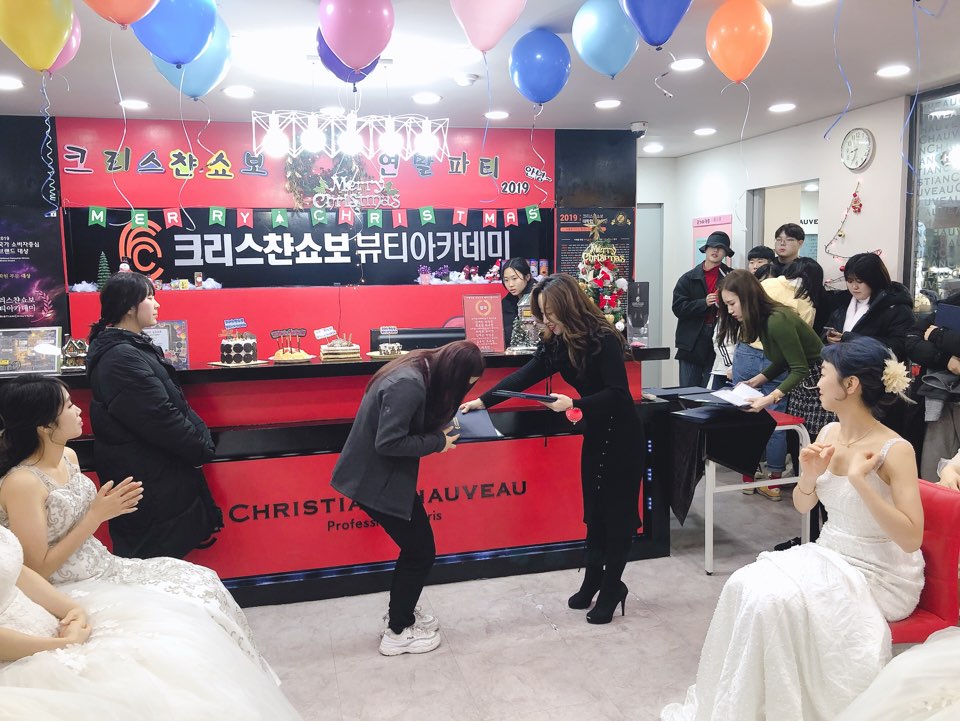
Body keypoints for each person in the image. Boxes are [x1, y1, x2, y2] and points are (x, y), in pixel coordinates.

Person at [661, 336, 924, 721]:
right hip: (830, 555)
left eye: (825, 374)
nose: (817, 383)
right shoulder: (829, 433)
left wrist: (862, 483)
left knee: (774, 602)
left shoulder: (895, 449)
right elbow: (804, 505)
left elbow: (911, 538)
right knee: (743, 584)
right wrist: (809, 477)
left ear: (851, 385)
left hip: (881, 573)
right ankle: (744, 706)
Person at [0, 374, 272, 675]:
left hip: (104, 564)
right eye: (68, 406)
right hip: (65, 584)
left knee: (202, 582)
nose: (78, 410)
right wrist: (95, 516)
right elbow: (36, 568)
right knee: (180, 620)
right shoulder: (23, 483)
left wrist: (100, 510)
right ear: (44, 425)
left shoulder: (69, 456)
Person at [461, 273, 642, 625]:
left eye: (550, 313)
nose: (546, 320)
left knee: (617, 516)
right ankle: (593, 580)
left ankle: (612, 588)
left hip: (622, 436)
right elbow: (525, 375)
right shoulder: (557, 343)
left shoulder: (602, 338)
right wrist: (483, 401)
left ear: (568, 307)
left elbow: (619, 396)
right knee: (595, 513)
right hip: (596, 434)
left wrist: (575, 403)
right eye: (542, 313)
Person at [0, 524, 301, 721]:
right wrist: (61, 643)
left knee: (180, 657)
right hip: (19, 656)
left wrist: (71, 608)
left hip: (56, 624)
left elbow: (17, 572)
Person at [331, 341, 484, 657]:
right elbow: (388, 442)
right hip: (376, 481)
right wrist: (438, 441)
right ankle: (398, 631)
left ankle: (401, 613)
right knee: (420, 552)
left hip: (379, 477)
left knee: (417, 549)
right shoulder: (409, 384)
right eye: (464, 385)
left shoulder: (418, 366)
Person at [86, 272, 222, 559]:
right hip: (147, 478)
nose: (157, 304)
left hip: (154, 472)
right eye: (149, 297)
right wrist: (200, 446)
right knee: (151, 559)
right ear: (129, 307)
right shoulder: (121, 357)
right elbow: (160, 416)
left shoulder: (131, 348)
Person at [717, 269, 834, 441]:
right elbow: (782, 361)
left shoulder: (776, 320)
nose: (729, 310)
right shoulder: (764, 319)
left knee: (812, 437)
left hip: (817, 379)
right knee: (798, 438)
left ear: (747, 297)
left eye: (732, 303)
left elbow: (800, 369)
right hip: (804, 381)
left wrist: (769, 399)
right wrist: (756, 381)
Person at [822, 252, 914, 362]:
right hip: (841, 366)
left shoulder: (896, 307)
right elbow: (828, 329)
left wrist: (851, 339)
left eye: (860, 281)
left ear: (874, 280)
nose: (854, 287)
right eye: (850, 281)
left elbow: (900, 346)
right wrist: (828, 338)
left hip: (876, 369)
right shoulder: (842, 302)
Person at [672, 231, 733, 387]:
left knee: (712, 389)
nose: (715, 250)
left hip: (720, 338)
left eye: (720, 248)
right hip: (692, 341)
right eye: (712, 246)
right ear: (705, 249)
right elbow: (678, 308)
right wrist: (703, 303)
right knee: (687, 390)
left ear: (726, 252)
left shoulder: (732, 277)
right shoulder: (688, 278)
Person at [500, 256, 536, 341]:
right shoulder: (506, 302)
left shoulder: (538, 296)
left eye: (514, 279)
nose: (510, 284)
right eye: (506, 280)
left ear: (527, 277)